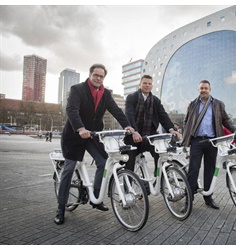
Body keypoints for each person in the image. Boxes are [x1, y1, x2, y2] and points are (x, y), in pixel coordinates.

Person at [54, 64, 135, 225]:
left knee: (103, 162)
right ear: (90, 75)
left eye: (101, 76)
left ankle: (96, 198)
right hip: (75, 136)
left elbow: (116, 110)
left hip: (93, 136)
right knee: (69, 169)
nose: (98, 78)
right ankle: (61, 207)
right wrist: (80, 128)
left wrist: (127, 125)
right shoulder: (77, 89)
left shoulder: (105, 93)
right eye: (96, 75)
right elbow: (72, 110)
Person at [182, 80, 236, 209]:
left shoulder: (218, 104)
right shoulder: (192, 104)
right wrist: (186, 136)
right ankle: (189, 199)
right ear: (198, 90)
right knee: (193, 170)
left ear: (210, 89)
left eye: (206, 88)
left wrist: (234, 129)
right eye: (201, 88)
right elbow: (186, 121)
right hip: (196, 141)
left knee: (210, 170)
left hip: (212, 142)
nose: (203, 90)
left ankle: (208, 198)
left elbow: (226, 120)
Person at [124, 75, 181, 176]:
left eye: (149, 84)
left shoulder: (155, 100)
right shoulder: (131, 97)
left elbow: (163, 115)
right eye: (145, 83)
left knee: (160, 155)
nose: (147, 85)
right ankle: (128, 188)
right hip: (134, 135)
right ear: (140, 84)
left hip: (150, 134)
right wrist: (134, 132)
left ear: (152, 86)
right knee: (129, 163)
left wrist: (171, 130)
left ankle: (159, 179)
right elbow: (129, 115)